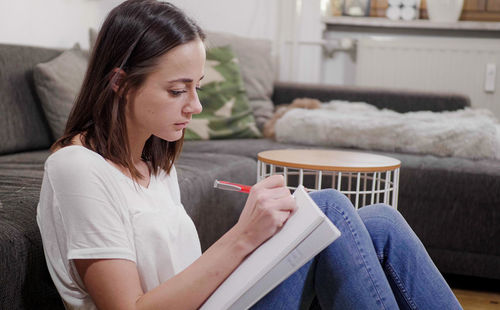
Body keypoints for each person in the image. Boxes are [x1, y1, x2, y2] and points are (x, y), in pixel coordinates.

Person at [36, 1, 462, 309]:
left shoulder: (154, 164)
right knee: (329, 205)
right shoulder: (78, 168)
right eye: (177, 90)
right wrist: (245, 236)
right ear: (120, 83)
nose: (195, 105)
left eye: (197, 87)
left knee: (380, 222)